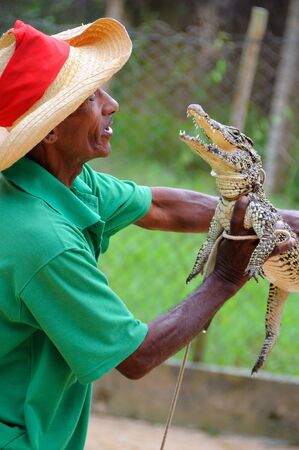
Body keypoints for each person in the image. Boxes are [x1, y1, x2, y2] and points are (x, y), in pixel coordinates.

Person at [0, 18, 298, 450]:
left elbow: (161, 206)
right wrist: (226, 279)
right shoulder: (44, 241)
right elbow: (136, 356)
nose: (113, 103)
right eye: (90, 97)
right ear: (50, 130)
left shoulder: (61, 180)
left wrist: (274, 217)